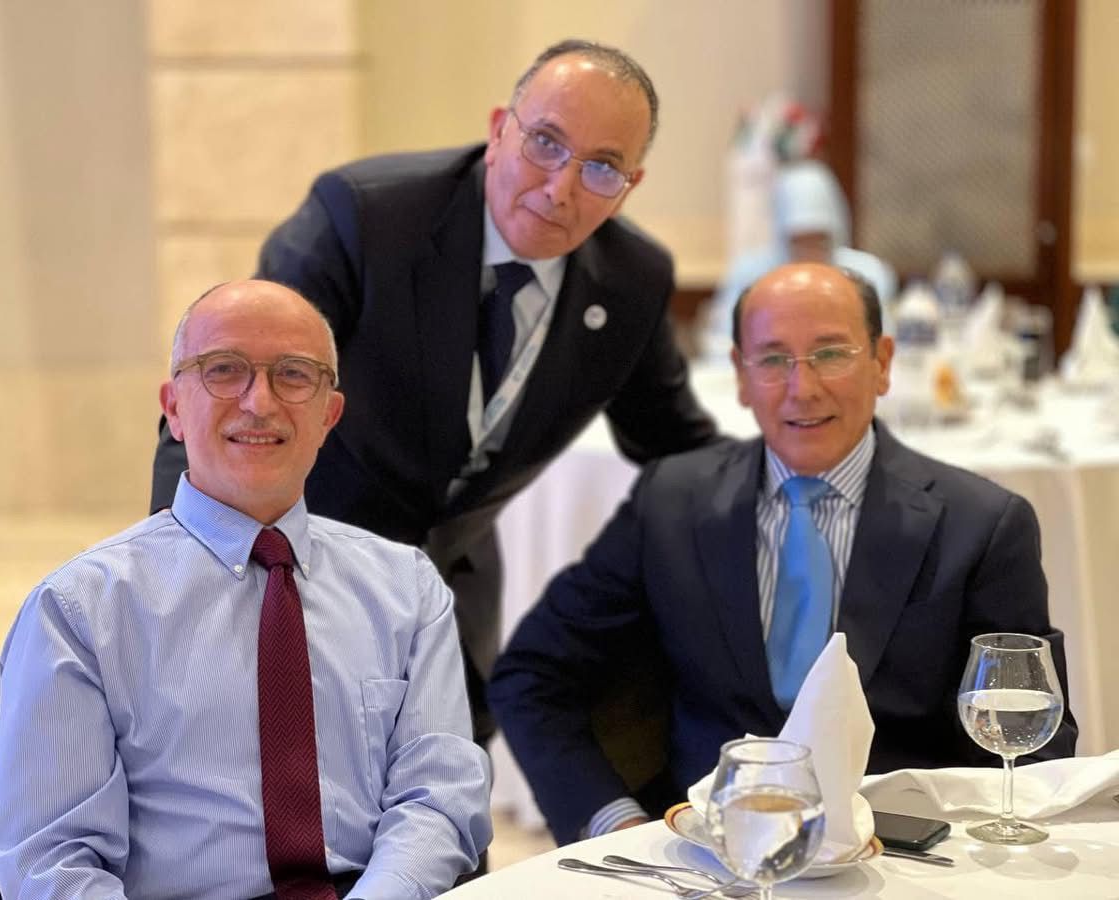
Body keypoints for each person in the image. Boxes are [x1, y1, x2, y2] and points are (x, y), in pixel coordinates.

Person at [149, 39, 718, 743]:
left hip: (451, 596)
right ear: (498, 129)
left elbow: (675, 446)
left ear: (631, 184)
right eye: (545, 143)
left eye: (601, 167)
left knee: (448, 798)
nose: (561, 187)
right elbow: (225, 395)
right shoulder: (366, 218)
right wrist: (180, 585)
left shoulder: (631, 280)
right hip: (296, 569)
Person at [489, 263, 1077, 846]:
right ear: (740, 377)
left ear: (882, 363)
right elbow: (531, 675)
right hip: (709, 857)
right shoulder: (671, 503)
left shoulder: (980, 525)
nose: (803, 387)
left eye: (831, 353)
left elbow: (1031, 740)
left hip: (901, 860)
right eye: (772, 360)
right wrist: (615, 821)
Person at [0, 280, 491, 899]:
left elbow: (437, 797)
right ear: (174, 408)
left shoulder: (406, 589)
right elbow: (51, 861)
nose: (259, 402)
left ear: (329, 416)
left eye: (294, 375)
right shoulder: (80, 610)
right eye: (223, 370)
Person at [705, 159, 898, 359]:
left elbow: (880, 348)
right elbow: (723, 346)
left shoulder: (868, 273)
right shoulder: (749, 275)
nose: (810, 252)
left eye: (819, 239)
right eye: (799, 241)